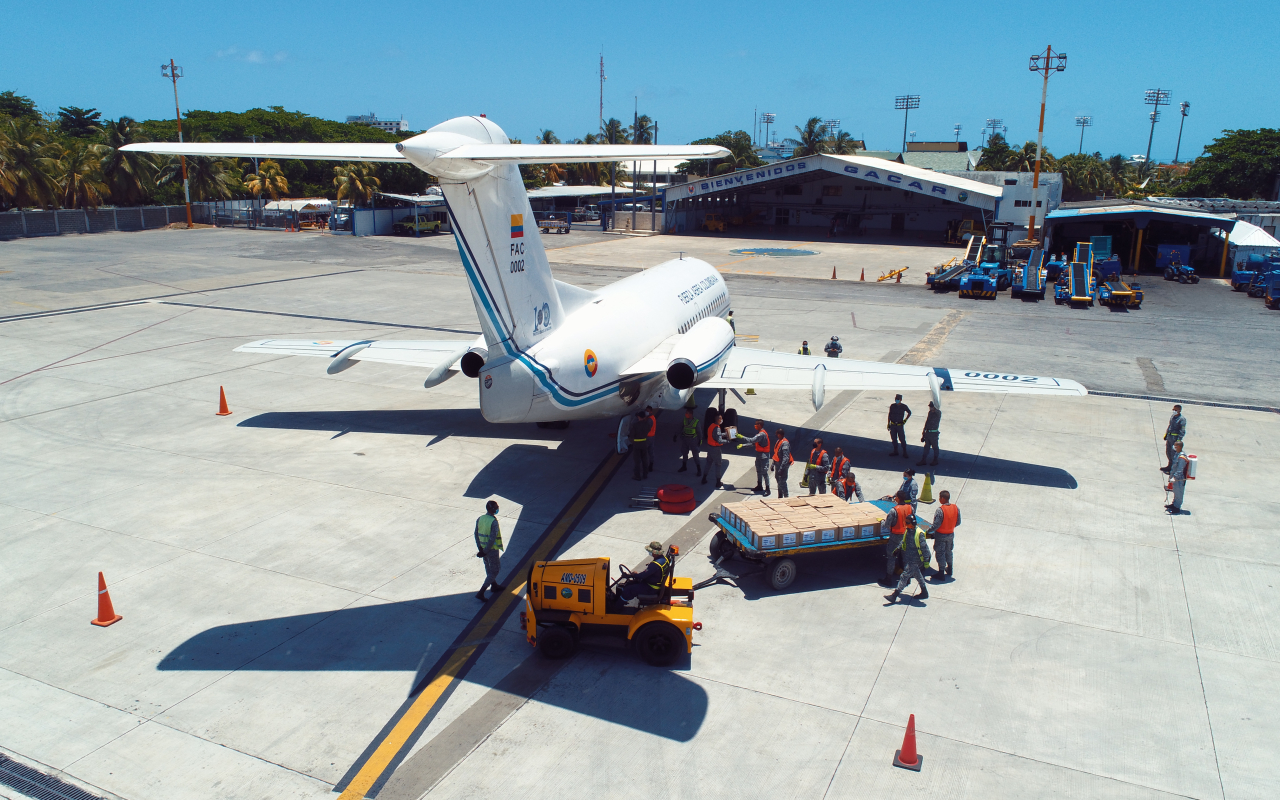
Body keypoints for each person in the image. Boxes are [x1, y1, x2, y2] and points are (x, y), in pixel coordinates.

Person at [887, 500, 930, 602]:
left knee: (904, 576)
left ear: (912, 524)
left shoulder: (919, 534)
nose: (905, 524)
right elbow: (903, 541)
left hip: (915, 560)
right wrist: (897, 549)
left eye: (907, 523)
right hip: (909, 558)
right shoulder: (908, 531)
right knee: (917, 575)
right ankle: (924, 592)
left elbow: (925, 549)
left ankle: (895, 595)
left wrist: (926, 561)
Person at [618, 541, 671, 606]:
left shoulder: (655, 565)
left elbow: (642, 576)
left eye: (651, 552)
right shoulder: (664, 559)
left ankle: (617, 607)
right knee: (629, 583)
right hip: (655, 584)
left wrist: (634, 575)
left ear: (655, 553)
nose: (650, 553)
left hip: (651, 589)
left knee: (628, 589)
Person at [880, 491, 915, 588]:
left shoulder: (893, 511)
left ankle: (888, 578)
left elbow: (887, 525)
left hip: (896, 536)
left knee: (891, 557)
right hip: (906, 535)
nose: (895, 499)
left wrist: (882, 522)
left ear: (898, 498)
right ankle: (907, 579)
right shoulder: (910, 508)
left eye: (896, 498)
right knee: (905, 557)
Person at [474, 500, 505, 600]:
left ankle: (494, 585)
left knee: (488, 567)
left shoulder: (480, 519)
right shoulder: (493, 522)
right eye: (496, 507)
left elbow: (476, 534)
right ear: (493, 509)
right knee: (495, 570)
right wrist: (486, 551)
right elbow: (492, 539)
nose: (497, 508)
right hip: (491, 550)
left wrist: (480, 549)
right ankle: (481, 592)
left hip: (483, 549)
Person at [927, 490, 960, 580]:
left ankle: (941, 573)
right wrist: (950, 526)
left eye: (939, 497)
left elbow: (936, 525)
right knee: (949, 551)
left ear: (942, 498)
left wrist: (928, 530)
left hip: (941, 536)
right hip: (950, 535)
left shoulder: (940, 510)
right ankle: (950, 569)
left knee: (940, 553)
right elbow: (958, 522)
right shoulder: (955, 508)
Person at [736, 420, 772, 495]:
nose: (754, 426)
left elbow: (752, 440)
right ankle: (759, 486)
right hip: (759, 456)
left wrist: (742, 437)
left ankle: (768, 489)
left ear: (759, 425)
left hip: (764, 457)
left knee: (764, 472)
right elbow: (753, 443)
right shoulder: (759, 434)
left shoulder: (761, 435)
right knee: (758, 471)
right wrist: (743, 445)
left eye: (756, 424)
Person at [703, 411, 728, 488]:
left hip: (709, 448)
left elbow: (715, 435)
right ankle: (718, 482)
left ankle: (704, 478)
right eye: (721, 419)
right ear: (718, 420)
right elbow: (719, 440)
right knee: (718, 464)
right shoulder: (717, 428)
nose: (722, 420)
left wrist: (725, 434)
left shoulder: (712, 426)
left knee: (708, 463)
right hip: (715, 449)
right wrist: (728, 441)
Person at [673, 407, 701, 476]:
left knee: (695, 455)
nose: (686, 414)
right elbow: (680, 428)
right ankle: (684, 466)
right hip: (685, 439)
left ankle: (699, 469)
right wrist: (676, 435)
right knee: (684, 453)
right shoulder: (684, 420)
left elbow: (699, 432)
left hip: (693, 440)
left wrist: (700, 440)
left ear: (691, 414)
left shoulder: (696, 422)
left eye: (687, 413)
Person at [1161, 405, 1186, 474]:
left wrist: (1178, 441)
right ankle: (1169, 466)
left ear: (1179, 410)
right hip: (1170, 437)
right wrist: (1166, 435)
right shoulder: (1172, 417)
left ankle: (1172, 469)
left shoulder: (1182, 419)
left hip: (1175, 439)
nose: (1174, 411)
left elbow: (1182, 431)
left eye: (1176, 410)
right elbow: (1170, 426)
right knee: (1168, 452)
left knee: (1173, 454)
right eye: (1173, 409)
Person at [1167, 441, 1190, 515]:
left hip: (1179, 479)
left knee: (1179, 493)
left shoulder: (1182, 458)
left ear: (1179, 446)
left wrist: (1174, 477)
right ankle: (1174, 504)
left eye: (1175, 445)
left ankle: (1177, 508)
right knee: (1175, 492)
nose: (1174, 446)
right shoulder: (1177, 454)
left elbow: (1180, 470)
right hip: (1175, 478)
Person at [887, 394, 911, 458]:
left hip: (900, 425)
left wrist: (905, 420)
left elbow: (909, 412)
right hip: (893, 425)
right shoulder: (892, 406)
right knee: (894, 439)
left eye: (898, 399)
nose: (896, 400)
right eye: (896, 399)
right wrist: (888, 423)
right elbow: (889, 415)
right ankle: (895, 451)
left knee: (902, 439)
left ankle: (905, 452)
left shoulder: (903, 406)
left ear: (901, 400)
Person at [918, 401, 942, 466]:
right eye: (930, 407)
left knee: (935, 448)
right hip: (928, 433)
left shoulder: (938, 413)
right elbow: (927, 422)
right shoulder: (930, 413)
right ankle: (923, 460)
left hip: (934, 433)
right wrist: (924, 431)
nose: (930, 408)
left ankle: (935, 460)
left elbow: (938, 411)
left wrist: (935, 408)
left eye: (931, 407)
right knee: (926, 447)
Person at [630, 410, 650, 481]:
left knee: (637, 461)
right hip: (644, 443)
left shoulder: (635, 425)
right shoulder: (647, 424)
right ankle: (645, 474)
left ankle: (637, 475)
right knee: (645, 460)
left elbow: (631, 436)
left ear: (638, 417)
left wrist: (632, 441)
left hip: (637, 445)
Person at [772, 428, 793, 498]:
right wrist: (773, 464)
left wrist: (781, 468)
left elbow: (786, 458)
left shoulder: (785, 444)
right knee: (778, 480)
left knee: (782, 482)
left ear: (780, 434)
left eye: (777, 434)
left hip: (782, 466)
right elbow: (776, 453)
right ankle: (780, 496)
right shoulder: (779, 441)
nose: (776, 435)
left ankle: (786, 497)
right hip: (778, 464)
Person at [645, 405, 657, 471]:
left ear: (651, 411)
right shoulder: (652, 417)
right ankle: (651, 464)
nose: (646, 412)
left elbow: (646, 428)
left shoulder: (649, 420)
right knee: (651, 452)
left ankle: (646, 465)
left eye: (648, 411)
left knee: (645, 452)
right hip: (652, 437)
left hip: (648, 438)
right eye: (646, 411)